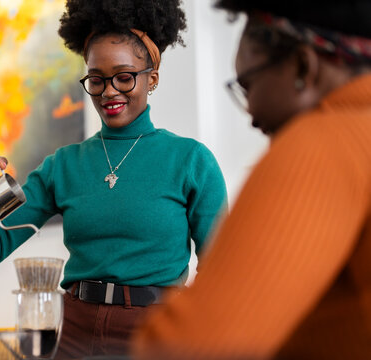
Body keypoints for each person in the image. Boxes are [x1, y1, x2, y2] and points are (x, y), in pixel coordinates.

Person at [0, 0, 227, 358]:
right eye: (96, 80)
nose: (109, 92)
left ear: (153, 78)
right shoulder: (63, 166)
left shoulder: (191, 161)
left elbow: (223, 272)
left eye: (124, 77)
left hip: (155, 333)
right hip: (73, 334)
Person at [132, 0, 371, 359]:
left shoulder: (322, 144)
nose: (250, 113)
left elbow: (192, 346)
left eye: (248, 84)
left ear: (303, 66)